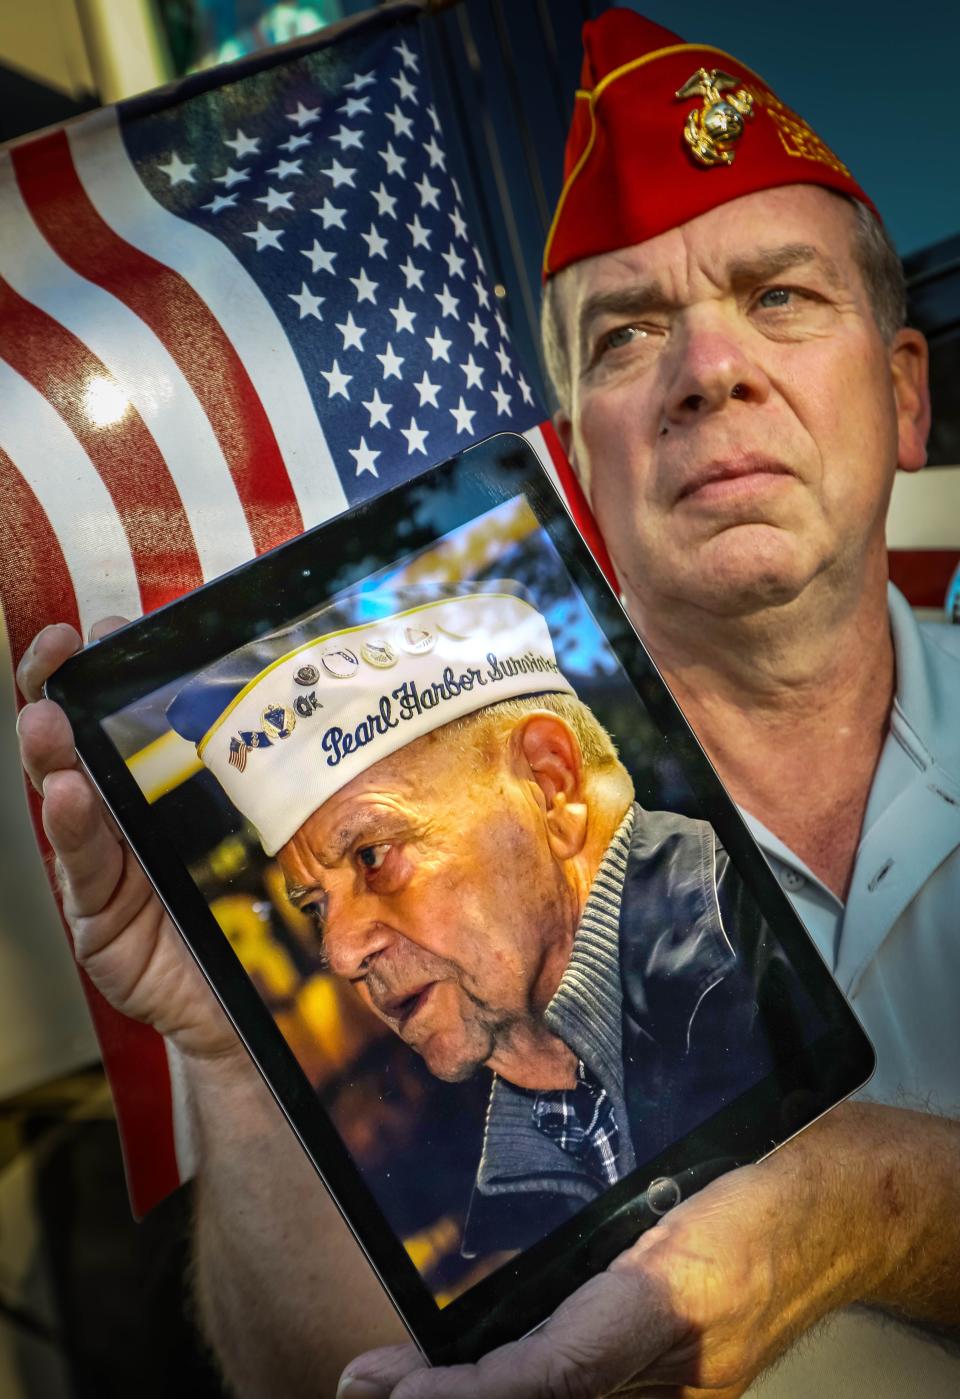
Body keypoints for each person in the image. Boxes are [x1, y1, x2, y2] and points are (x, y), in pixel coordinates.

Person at [15, 9, 960, 1397]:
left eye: (779, 296)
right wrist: (230, 1055)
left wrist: (855, 1213)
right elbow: (323, 1373)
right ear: (576, 453)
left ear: (903, 392)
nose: (710, 370)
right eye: (629, 334)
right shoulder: (491, 978)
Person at [163, 581, 785, 1256]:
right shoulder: (523, 1179)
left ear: (551, 785)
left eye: (374, 855)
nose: (340, 953)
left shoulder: (773, 943)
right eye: (316, 906)